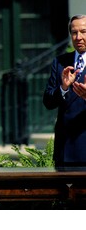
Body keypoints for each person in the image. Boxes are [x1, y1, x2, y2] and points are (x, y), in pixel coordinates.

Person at [43, 14, 86, 167]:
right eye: (74, 32)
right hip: (65, 148)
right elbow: (48, 101)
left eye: (83, 31)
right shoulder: (60, 62)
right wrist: (63, 88)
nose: (78, 37)